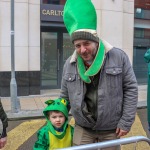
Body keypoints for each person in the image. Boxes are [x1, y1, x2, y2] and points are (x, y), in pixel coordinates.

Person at [60, 0, 138, 149]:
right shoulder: (69, 64)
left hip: (110, 129)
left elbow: (131, 89)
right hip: (83, 128)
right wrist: (57, 116)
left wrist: (126, 122)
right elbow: (64, 96)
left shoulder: (118, 57)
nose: (82, 50)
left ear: (95, 41)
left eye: (86, 43)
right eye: (78, 45)